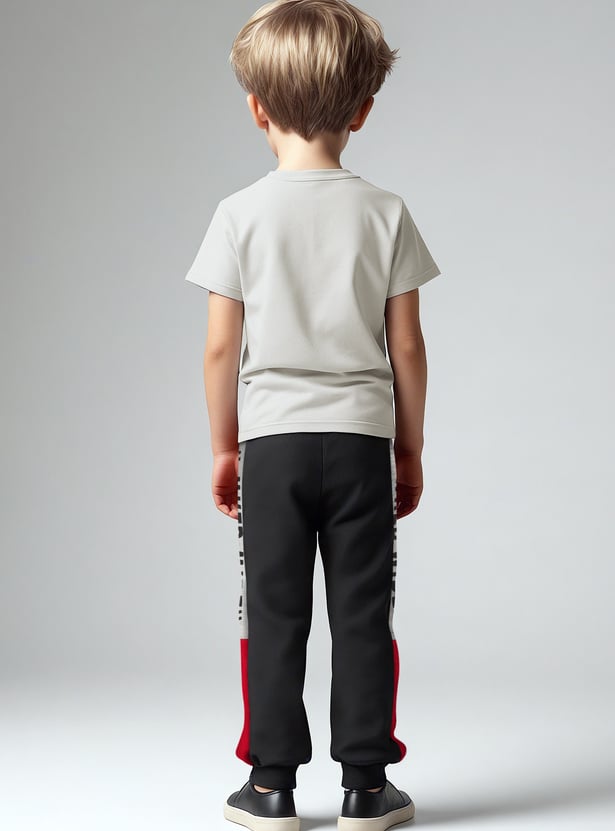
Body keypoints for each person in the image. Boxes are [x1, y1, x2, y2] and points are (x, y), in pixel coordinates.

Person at [184, 2, 443, 829]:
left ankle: (270, 785)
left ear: (256, 107)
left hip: (272, 445)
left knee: (273, 611)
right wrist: (408, 448)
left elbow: (220, 349)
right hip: (361, 442)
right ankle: (366, 783)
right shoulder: (385, 212)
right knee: (363, 611)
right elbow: (407, 348)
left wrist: (224, 445)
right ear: (361, 110)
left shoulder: (238, 213)